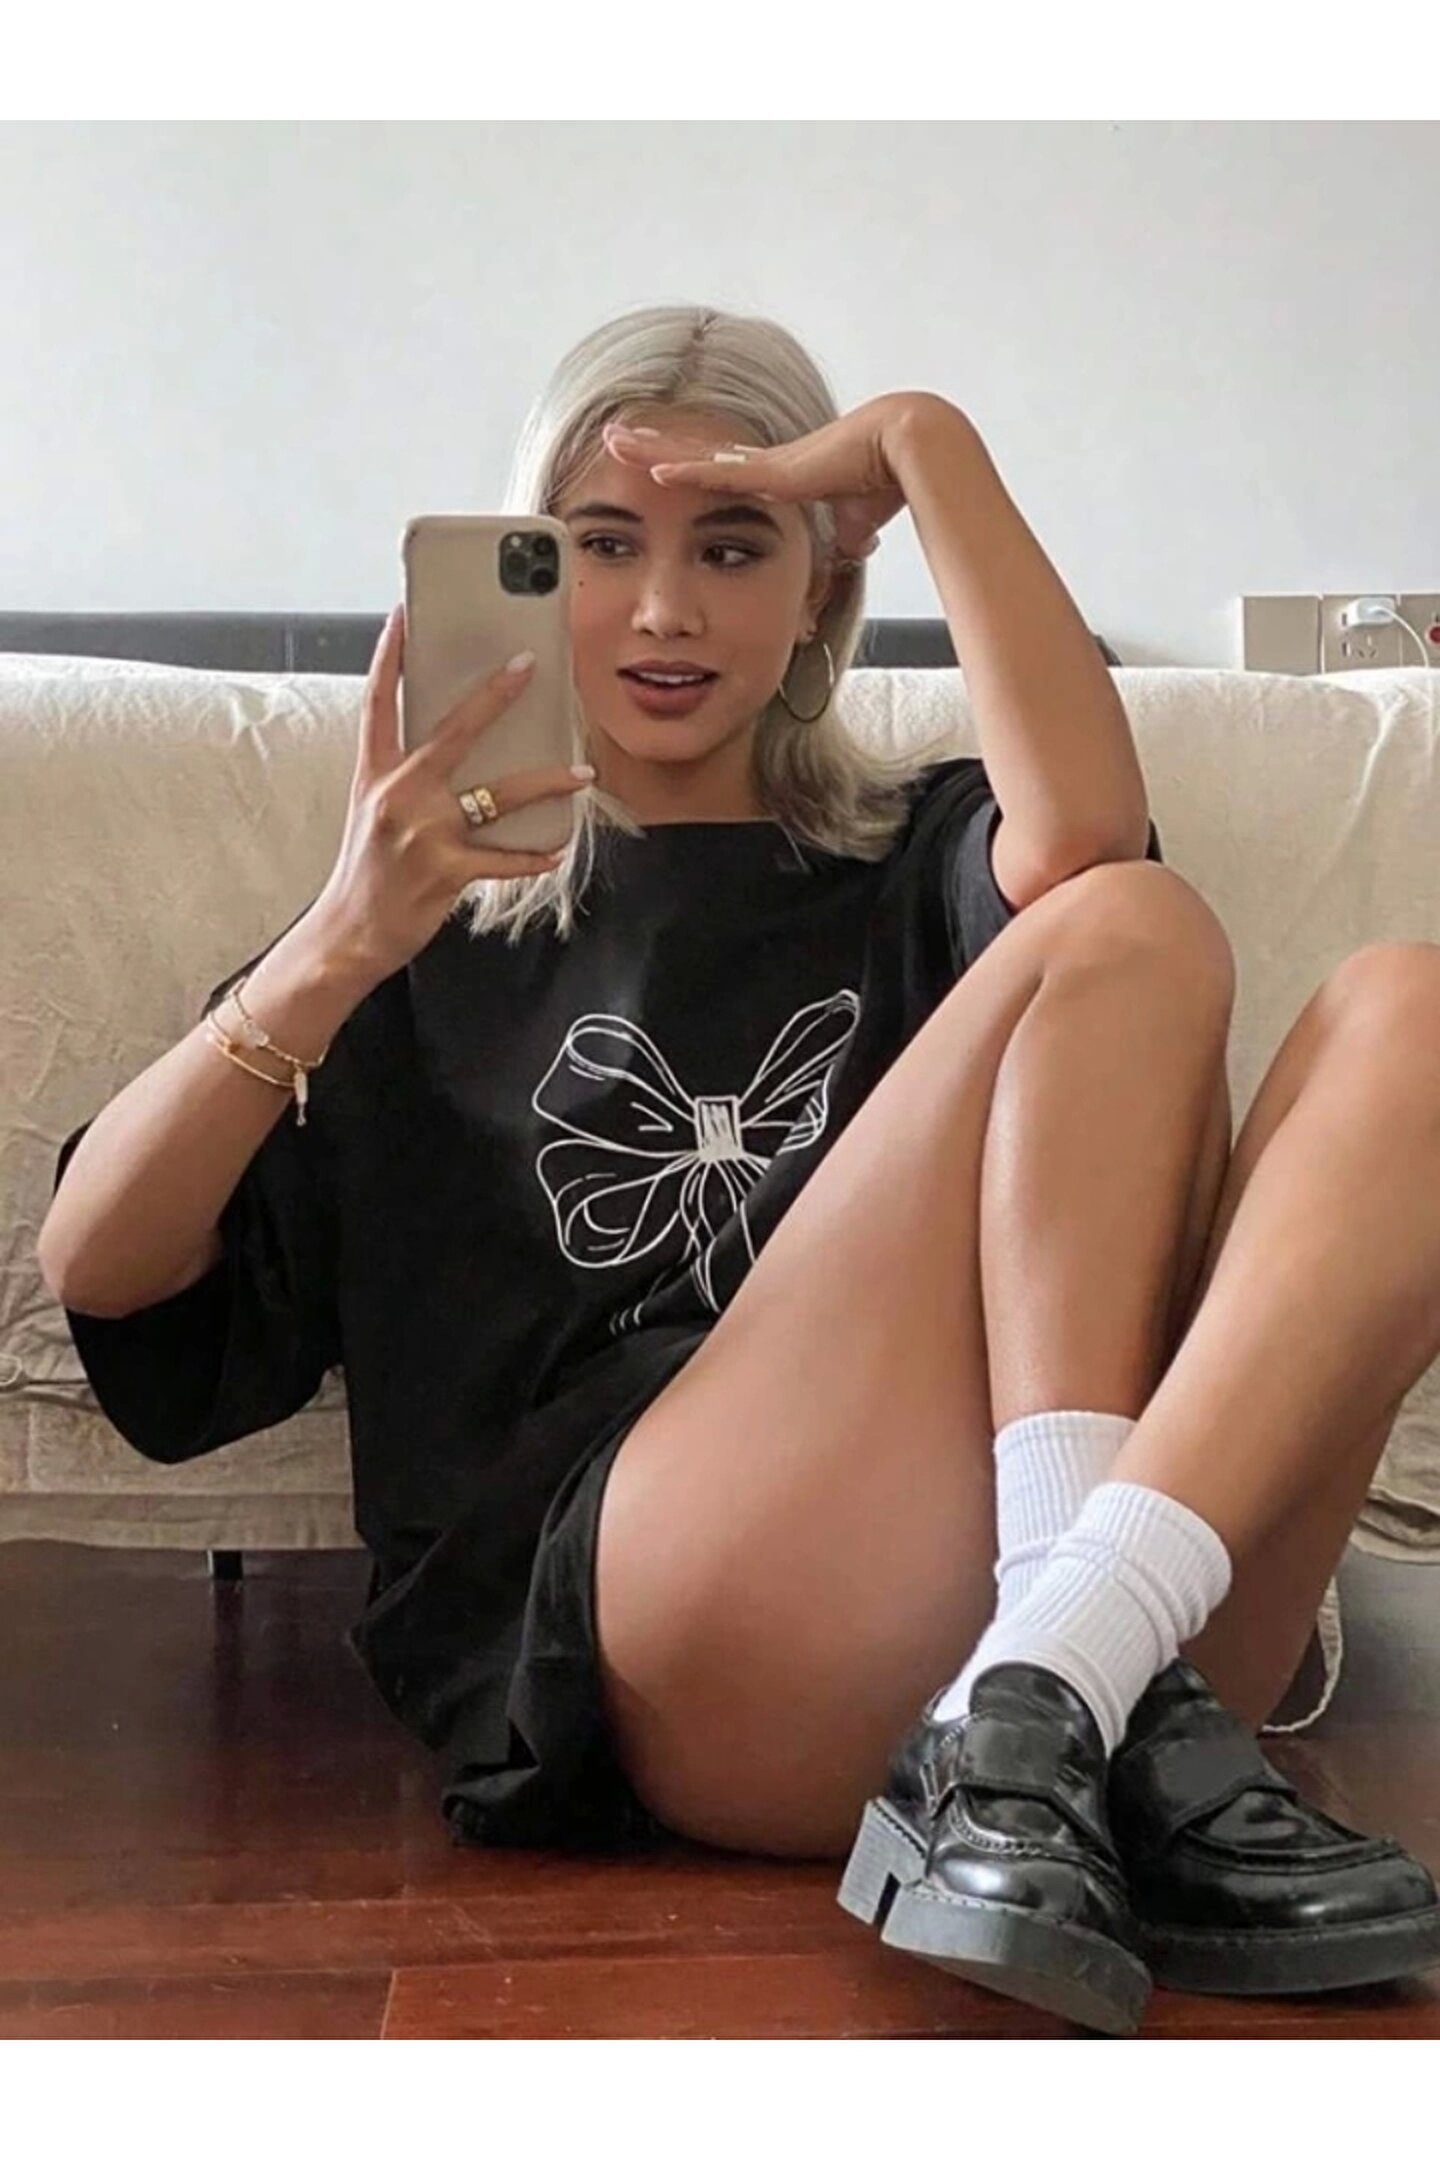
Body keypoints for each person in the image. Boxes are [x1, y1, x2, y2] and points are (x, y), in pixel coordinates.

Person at [40, 303, 1440, 2037]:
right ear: (530, 575)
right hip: (686, 1642)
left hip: (1113, 1630)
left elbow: (1083, 840)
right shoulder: (417, 931)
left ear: (820, 585)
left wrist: (924, 443)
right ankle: (1051, 1688)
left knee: (1409, 1019)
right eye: (603, 546)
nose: (667, 610)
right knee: (1127, 926)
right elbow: (102, 1267)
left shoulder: (928, 853)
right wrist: (336, 943)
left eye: (733, 543)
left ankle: (1059, 1681)